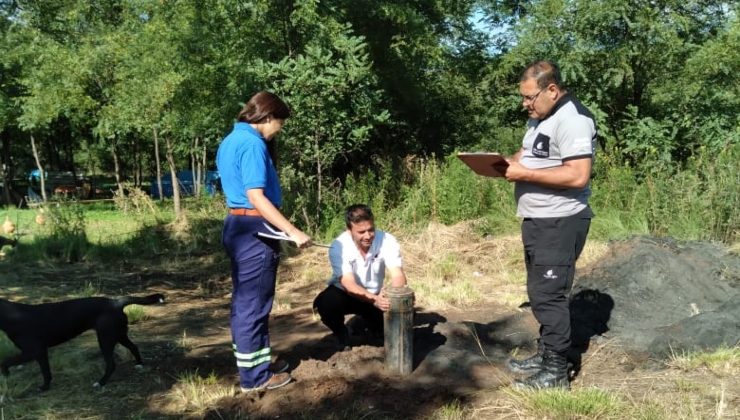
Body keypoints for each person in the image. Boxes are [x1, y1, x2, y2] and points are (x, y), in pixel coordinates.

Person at [499, 60, 596, 389]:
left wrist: (523, 174)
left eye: (530, 97)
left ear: (552, 89)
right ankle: (547, 353)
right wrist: (506, 163)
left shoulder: (574, 121)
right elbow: (530, 153)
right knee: (540, 293)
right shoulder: (542, 117)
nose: (525, 104)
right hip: (538, 219)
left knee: (549, 295)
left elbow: (578, 174)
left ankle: (556, 373)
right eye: (523, 98)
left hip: (560, 220)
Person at [216, 91, 312, 392]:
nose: (279, 129)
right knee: (253, 305)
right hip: (254, 229)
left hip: (237, 225)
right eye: (280, 122)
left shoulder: (231, 140)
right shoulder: (252, 144)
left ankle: (256, 365)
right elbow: (256, 197)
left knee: (246, 303)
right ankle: (255, 379)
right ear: (268, 116)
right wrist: (294, 231)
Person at [313, 204, 407, 349]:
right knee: (326, 303)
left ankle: (365, 324)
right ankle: (341, 333)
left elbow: (398, 275)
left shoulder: (387, 240)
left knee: (404, 316)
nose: (368, 236)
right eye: (361, 232)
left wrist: (390, 295)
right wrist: (375, 300)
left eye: (371, 230)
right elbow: (348, 284)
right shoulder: (339, 246)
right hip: (346, 294)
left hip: (375, 296)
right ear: (349, 230)